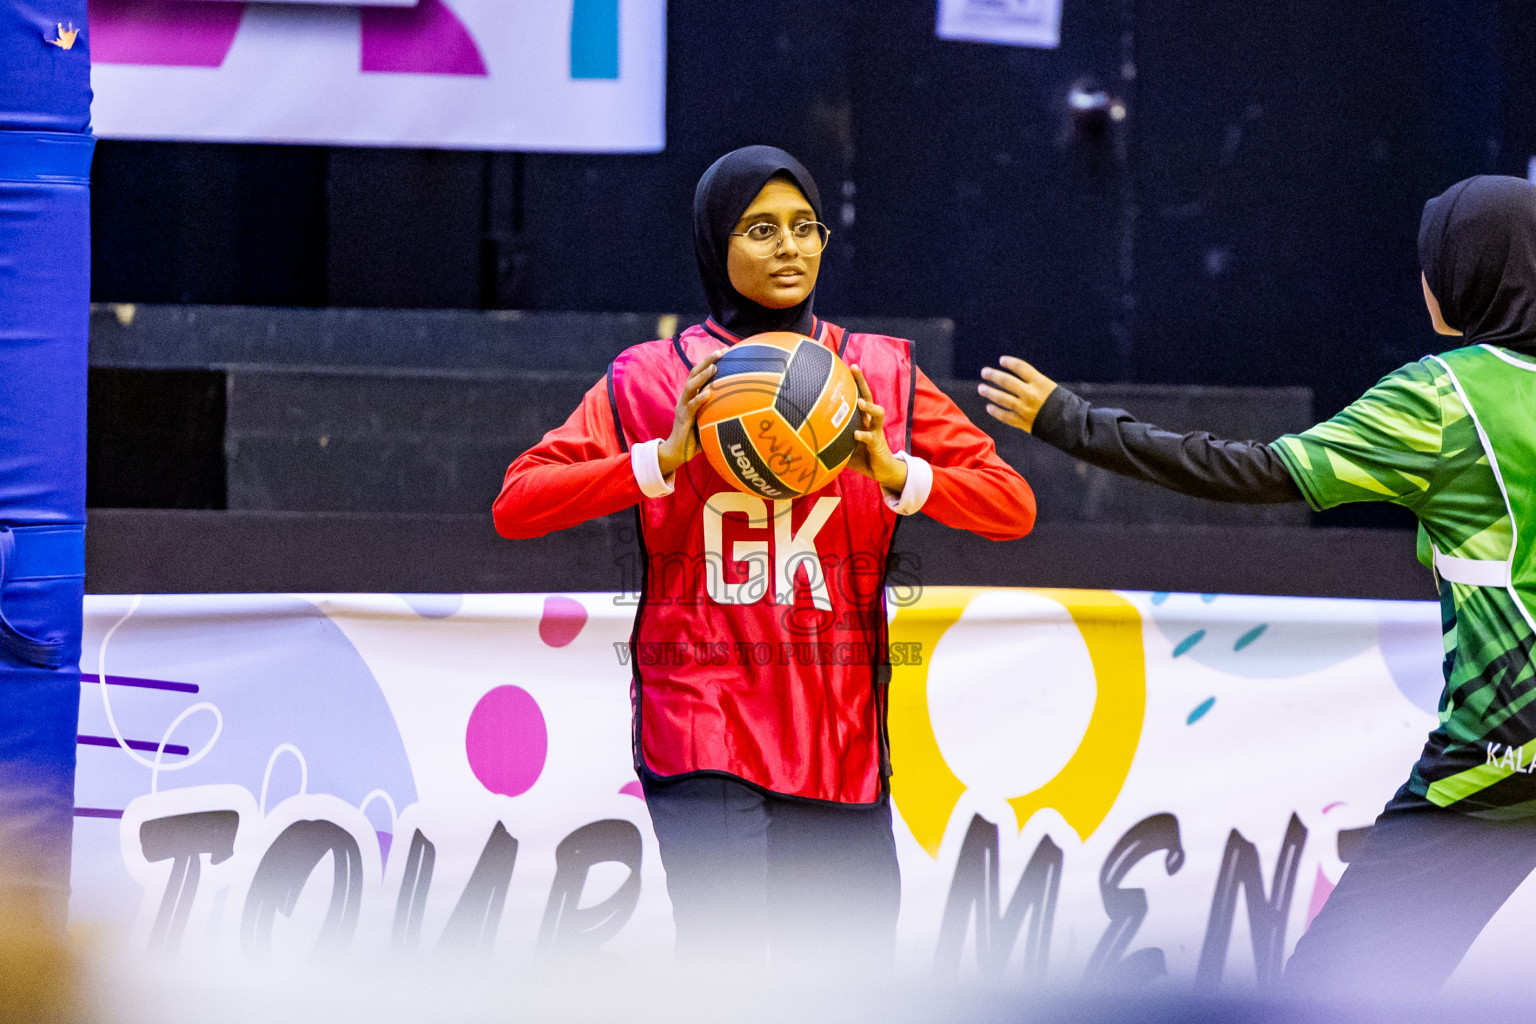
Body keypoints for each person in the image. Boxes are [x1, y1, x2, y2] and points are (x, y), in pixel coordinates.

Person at [977, 174, 1536, 997]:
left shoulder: (1446, 398)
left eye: (1431, 263)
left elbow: (1255, 472)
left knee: (1339, 992)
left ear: (1462, 275)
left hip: (1497, 765)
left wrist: (1072, 421)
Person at [493, 145, 1035, 970]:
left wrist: (899, 475)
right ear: (716, 245)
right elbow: (517, 503)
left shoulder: (882, 374)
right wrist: (657, 463)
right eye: (760, 229)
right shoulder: (650, 380)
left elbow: (1013, 506)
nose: (789, 247)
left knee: (850, 989)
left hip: (837, 731)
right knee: (730, 979)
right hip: (701, 716)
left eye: (803, 227)